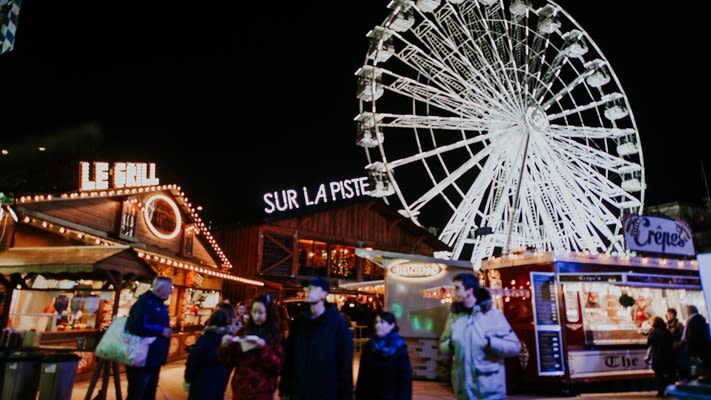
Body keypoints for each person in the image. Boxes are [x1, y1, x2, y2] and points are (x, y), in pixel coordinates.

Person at [439, 272, 521, 400]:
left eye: (457, 288)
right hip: (463, 390)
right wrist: (449, 345)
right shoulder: (455, 316)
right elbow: (443, 343)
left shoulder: (493, 315)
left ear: (469, 290)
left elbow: (514, 346)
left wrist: (491, 343)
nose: (454, 292)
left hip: (489, 390)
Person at [279, 276, 354, 400]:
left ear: (324, 294)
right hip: (299, 392)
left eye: (313, 288)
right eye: (307, 288)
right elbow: (290, 356)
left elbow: (344, 363)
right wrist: (285, 387)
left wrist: (345, 395)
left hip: (326, 391)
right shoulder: (300, 321)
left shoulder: (337, 323)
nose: (308, 291)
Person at [218, 294, 284, 400]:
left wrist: (264, 348)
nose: (257, 316)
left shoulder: (274, 335)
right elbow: (228, 360)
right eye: (254, 312)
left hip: (262, 392)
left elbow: (278, 365)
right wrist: (225, 346)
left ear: (269, 313)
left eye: (261, 313)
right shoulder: (243, 331)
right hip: (241, 390)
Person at [124, 276, 173, 400]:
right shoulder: (145, 303)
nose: (171, 291)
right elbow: (134, 325)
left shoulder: (160, 305)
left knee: (148, 394)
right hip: (142, 358)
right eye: (169, 287)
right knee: (137, 394)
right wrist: (160, 330)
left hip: (153, 359)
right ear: (161, 288)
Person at [355, 311, 412, 400]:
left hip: (392, 396)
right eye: (377, 322)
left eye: (382, 322)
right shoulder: (370, 346)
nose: (377, 325)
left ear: (392, 325)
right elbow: (362, 376)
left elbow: (405, 378)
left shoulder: (399, 347)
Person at [184, 308, 232, 400]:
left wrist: (188, 376)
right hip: (219, 377)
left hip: (202, 377)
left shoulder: (205, 338)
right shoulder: (227, 339)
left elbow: (194, 358)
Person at [647, 316, 675, 397]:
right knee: (670, 375)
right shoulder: (667, 331)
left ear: (654, 323)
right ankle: (671, 392)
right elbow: (672, 340)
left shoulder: (653, 332)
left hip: (658, 356)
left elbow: (649, 343)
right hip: (669, 355)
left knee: (659, 375)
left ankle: (661, 392)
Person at [682, 305, 711, 378]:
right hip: (701, 353)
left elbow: (691, 339)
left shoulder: (692, 322)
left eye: (687, 312)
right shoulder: (700, 321)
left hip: (695, 353)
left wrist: (691, 353)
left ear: (689, 312)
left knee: (694, 372)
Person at [665, 308, 686, 381]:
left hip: (677, 349)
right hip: (670, 350)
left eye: (671, 314)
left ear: (674, 315)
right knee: (673, 368)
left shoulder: (678, 324)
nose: (669, 315)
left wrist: (678, 345)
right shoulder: (666, 325)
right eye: (668, 314)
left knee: (680, 368)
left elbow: (683, 336)